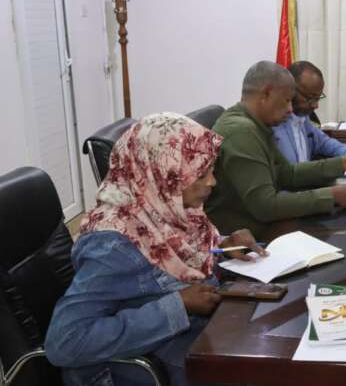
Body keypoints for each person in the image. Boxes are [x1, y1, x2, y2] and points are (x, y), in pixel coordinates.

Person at [45, 113, 267, 386]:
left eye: (211, 170)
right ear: (164, 176)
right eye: (200, 174)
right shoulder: (114, 245)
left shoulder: (167, 208)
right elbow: (65, 342)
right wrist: (179, 306)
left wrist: (221, 246)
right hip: (156, 358)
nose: (212, 182)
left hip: (195, 335)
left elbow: (180, 256)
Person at [205, 61, 346, 237]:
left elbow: (288, 173)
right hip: (240, 237)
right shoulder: (241, 131)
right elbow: (265, 206)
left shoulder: (256, 124)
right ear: (267, 93)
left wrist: (343, 163)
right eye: (287, 100)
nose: (291, 109)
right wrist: (331, 196)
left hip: (261, 225)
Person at [273, 61, 346, 164]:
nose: (315, 105)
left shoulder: (303, 117)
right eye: (310, 98)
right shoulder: (274, 123)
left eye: (317, 98)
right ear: (290, 90)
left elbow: (322, 142)